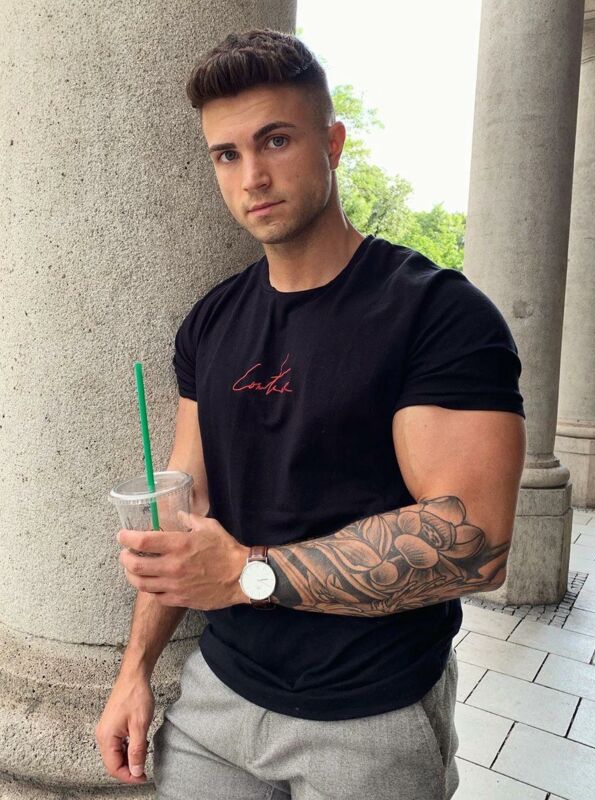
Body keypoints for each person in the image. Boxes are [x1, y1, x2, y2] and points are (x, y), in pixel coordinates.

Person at [95, 28, 526, 800]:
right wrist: (134, 673)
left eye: (276, 140)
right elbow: (183, 517)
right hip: (216, 702)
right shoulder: (210, 324)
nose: (252, 176)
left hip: (370, 716)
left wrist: (245, 574)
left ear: (332, 142)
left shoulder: (436, 314)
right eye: (226, 154)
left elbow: (475, 544)